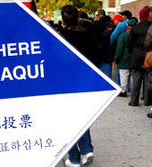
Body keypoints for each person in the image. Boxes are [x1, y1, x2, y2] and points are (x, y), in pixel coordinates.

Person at [59, 5, 97, 167]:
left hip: (66, 82)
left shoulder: (60, 37)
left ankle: (74, 158)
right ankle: (87, 149)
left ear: (62, 20)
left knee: (69, 119)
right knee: (82, 115)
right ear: (78, 18)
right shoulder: (88, 35)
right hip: (85, 81)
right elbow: (96, 59)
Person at [127, 7, 152, 106]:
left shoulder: (135, 28)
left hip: (136, 54)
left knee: (136, 78)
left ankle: (134, 101)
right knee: (147, 77)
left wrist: (132, 51)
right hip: (148, 54)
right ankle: (147, 100)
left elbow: (129, 43)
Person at [114, 19, 138, 97]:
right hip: (135, 57)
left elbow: (119, 49)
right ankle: (133, 90)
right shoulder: (138, 35)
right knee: (133, 75)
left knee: (124, 75)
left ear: (127, 26)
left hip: (124, 58)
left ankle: (124, 90)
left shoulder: (123, 36)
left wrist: (116, 58)